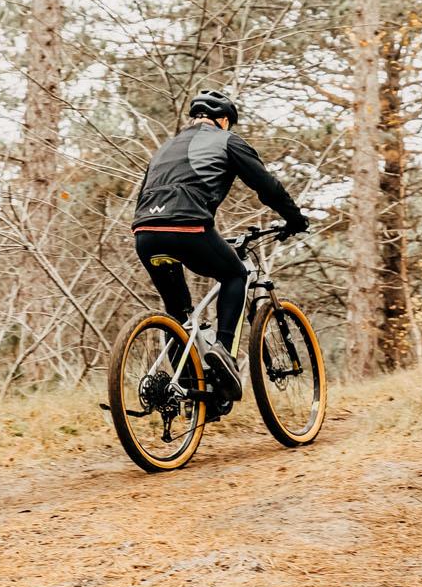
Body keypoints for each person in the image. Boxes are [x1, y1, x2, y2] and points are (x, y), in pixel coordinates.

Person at [132, 89, 308, 412]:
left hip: (144, 233)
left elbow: (147, 194)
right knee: (235, 274)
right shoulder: (227, 140)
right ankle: (223, 353)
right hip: (188, 228)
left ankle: (189, 394)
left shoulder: (163, 149)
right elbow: (266, 186)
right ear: (224, 120)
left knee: (180, 316)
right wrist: (294, 219)